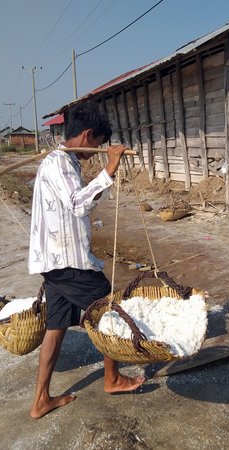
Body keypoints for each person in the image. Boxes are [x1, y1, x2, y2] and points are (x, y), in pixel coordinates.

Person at [28, 102, 144, 419]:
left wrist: (105, 173)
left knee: (56, 328)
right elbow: (80, 204)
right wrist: (110, 168)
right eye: (96, 145)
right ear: (87, 134)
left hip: (55, 262)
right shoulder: (60, 164)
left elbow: (80, 205)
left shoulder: (64, 161)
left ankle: (40, 400)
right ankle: (113, 378)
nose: (94, 152)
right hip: (68, 262)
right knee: (110, 311)